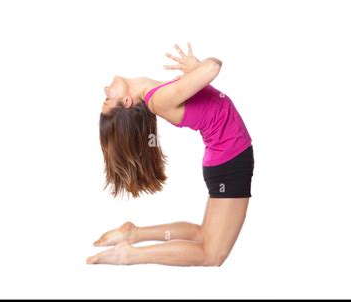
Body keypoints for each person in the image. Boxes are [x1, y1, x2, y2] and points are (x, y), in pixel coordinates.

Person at [87, 43, 254, 266]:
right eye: (108, 99)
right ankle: (129, 255)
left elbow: (211, 70)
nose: (105, 92)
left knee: (204, 236)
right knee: (212, 255)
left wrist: (197, 69)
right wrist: (198, 67)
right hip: (231, 160)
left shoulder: (156, 93)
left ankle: (134, 234)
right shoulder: (159, 98)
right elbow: (213, 67)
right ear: (126, 101)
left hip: (225, 159)